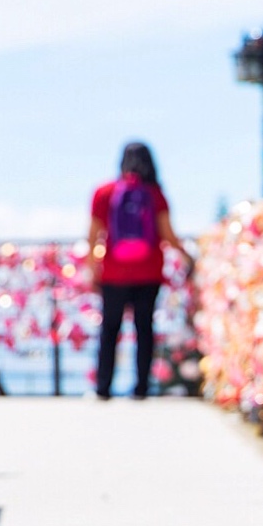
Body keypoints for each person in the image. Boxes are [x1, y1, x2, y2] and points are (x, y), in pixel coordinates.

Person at [87, 141, 188, 400]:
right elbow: (167, 234)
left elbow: (93, 235)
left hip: (113, 272)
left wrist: (92, 268)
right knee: (144, 330)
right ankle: (141, 388)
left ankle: (103, 388)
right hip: (149, 272)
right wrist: (187, 256)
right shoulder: (155, 194)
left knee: (110, 330)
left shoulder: (105, 192)